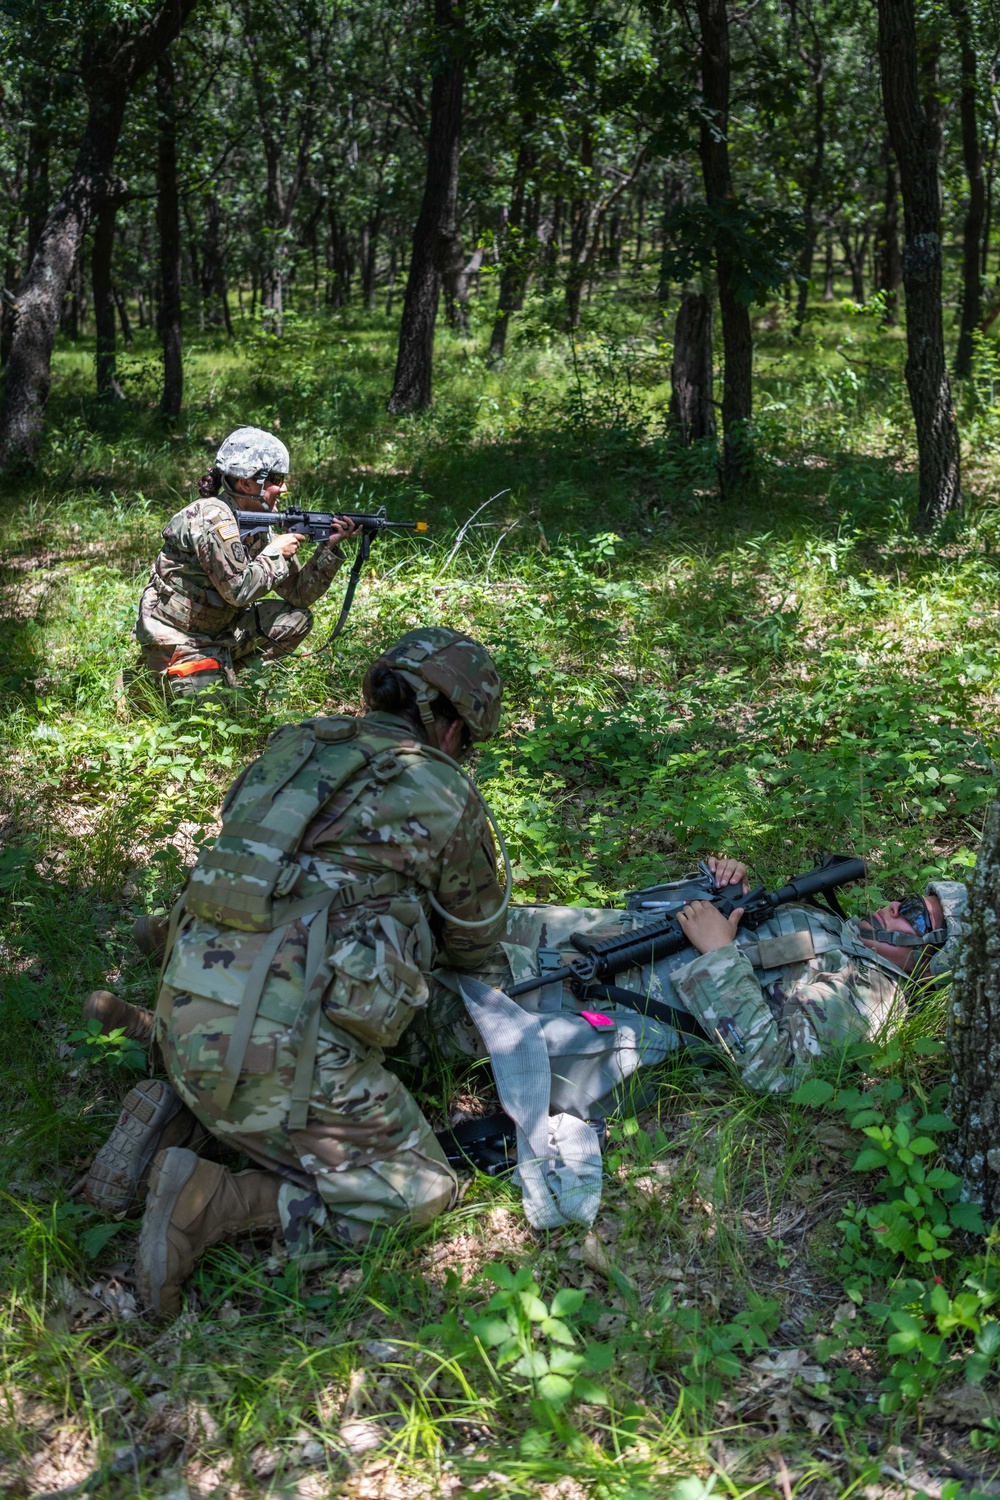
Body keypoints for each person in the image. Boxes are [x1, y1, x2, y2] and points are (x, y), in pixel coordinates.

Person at [121, 627, 507, 1315]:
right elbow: (476, 944)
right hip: (275, 1059)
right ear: (451, 729)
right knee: (418, 1190)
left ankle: (174, 1104)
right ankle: (216, 1202)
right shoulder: (442, 789)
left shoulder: (295, 749)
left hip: (191, 1008)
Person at [132, 426, 360, 699]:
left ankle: (231, 677)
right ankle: (150, 678)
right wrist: (275, 553)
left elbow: (298, 595)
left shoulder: (257, 523)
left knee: (296, 620)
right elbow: (238, 591)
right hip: (180, 639)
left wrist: (329, 549)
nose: (284, 487)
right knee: (211, 724)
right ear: (246, 483)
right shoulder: (213, 518)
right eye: (276, 479)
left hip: (219, 631)